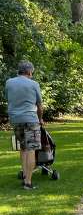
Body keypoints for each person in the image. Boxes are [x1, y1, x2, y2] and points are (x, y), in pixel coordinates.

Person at [5, 60, 44, 190]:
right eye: (32, 72)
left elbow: (9, 98)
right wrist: (40, 119)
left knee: (22, 148)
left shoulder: (9, 83)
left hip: (15, 120)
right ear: (29, 71)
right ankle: (28, 182)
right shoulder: (34, 84)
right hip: (30, 119)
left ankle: (24, 175)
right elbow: (39, 106)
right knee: (31, 149)